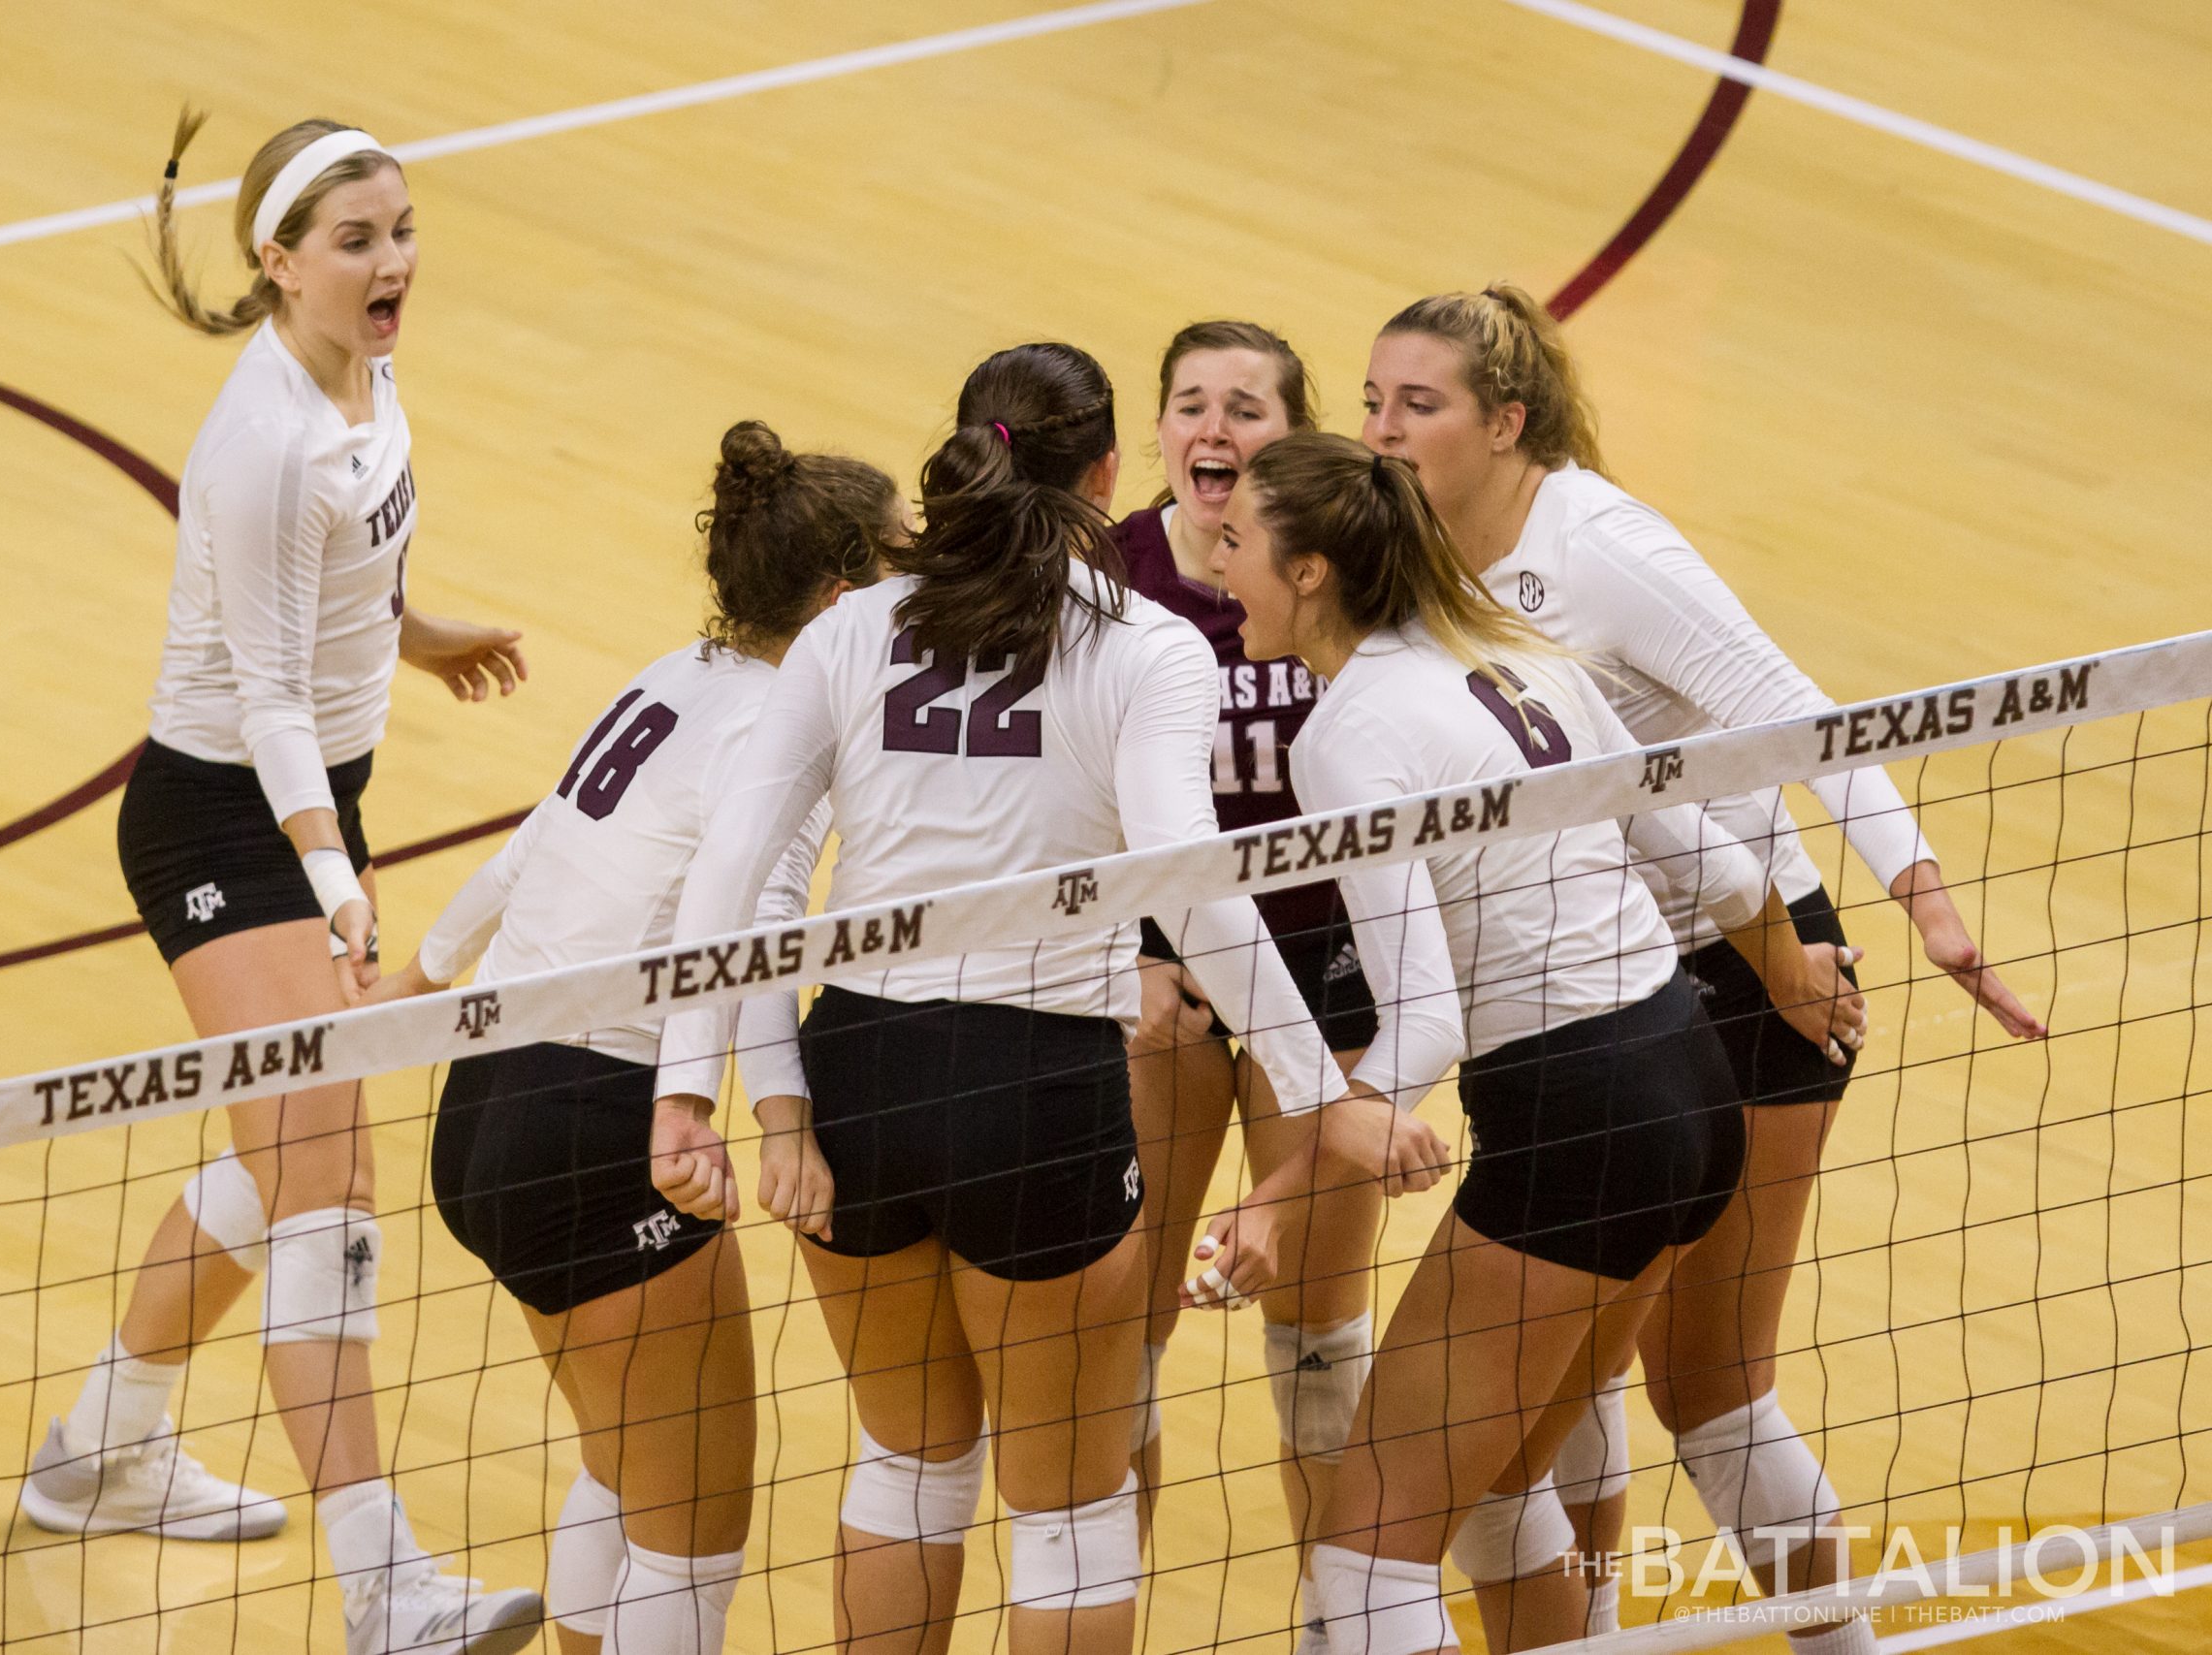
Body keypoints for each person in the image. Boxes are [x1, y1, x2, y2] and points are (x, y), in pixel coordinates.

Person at [649, 343, 1442, 1655]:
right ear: (1109, 474)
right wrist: (1323, 1096)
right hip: (1038, 1092)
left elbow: (732, 876)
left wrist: (700, 1093)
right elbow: (1192, 890)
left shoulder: (851, 628)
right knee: (1067, 1508)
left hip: (861, 1075)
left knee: (907, 1467)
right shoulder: (1152, 646)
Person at [1362, 285, 2045, 1646]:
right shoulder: (1416, 549)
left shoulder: (1606, 548)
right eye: (1374, 398)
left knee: (1709, 1385)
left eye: (1416, 404)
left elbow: (1800, 714)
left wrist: (1922, 891)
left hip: (1752, 972)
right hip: (1602, 998)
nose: (1382, 430)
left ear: (1507, 420)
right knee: (1568, 1386)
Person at [1202, 431, 1864, 1655]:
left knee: (1364, 1567)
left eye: (1235, 540)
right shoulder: (1516, 650)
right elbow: (1712, 862)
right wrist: (1788, 967)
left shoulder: (1345, 736)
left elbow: (1428, 1021)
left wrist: (1282, 1192)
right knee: (1503, 1490)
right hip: (1688, 1080)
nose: (1210, 560)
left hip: (1575, 1122)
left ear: (1309, 572)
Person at [16, 110, 539, 1655]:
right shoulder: (260, 443)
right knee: (332, 1179)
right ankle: (389, 1590)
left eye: (402, 231)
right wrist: (327, 869)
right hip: (220, 823)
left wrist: (419, 630)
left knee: (281, 1151)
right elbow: (259, 697)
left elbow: (350, 566)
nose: (395, 264)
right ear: (279, 262)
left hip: (315, 803)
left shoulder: (364, 369)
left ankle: (100, 1446)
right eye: (359, 242)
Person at [363, 422, 895, 1655]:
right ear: (833, 600)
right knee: (690, 1537)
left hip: (488, 1109)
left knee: (622, 1467)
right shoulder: (781, 729)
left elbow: (528, 841)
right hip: (603, 1124)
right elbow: (753, 938)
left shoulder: (675, 672)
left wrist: (421, 973)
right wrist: (764, 1117)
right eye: (892, 578)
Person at [1110, 323, 1384, 1616]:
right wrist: (1124, 957)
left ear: (1295, 432)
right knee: (1118, 1340)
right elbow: (1057, 789)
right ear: (1158, 432)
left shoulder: (1335, 571)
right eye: (1190, 404)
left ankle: (1343, 1626)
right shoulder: (1105, 580)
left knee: (1321, 1345)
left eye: (1247, 406)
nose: (1214, 428)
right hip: (1157, 984)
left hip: (1320, 975)